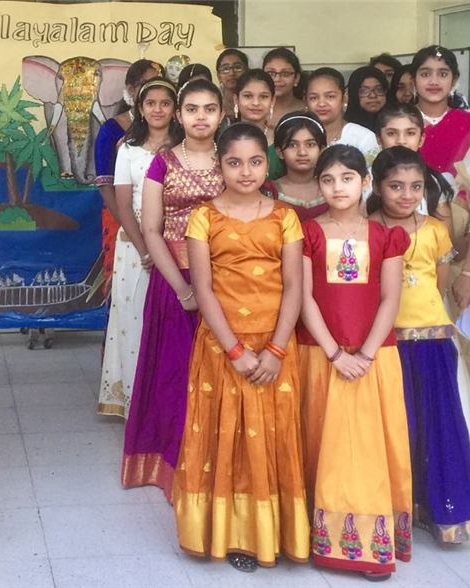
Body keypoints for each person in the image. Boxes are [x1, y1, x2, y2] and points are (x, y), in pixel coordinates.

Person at [174, 122, 308, 572]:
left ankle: (276, 533)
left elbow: (294, 287)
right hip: (222, 347)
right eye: (234, 162)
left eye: (254, 162)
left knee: (272, 436)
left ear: (267, 163)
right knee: (226, 436)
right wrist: (234, 350)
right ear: (220, 166)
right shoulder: (204, 217)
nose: (245, 172)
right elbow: (203, 289)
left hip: (274, 345)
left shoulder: (285, 216)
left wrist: (277, 350)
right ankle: (232, 534)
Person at [299, 145, 412, 581]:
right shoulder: (307, 233)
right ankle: (314, 536)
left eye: (347, 178)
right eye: (327, 180)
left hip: (374, 358)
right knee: (319, 442)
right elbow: (304, 297)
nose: (337, 187)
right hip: (318, 354)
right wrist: (334, 353)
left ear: (365, 182)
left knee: (367, 449)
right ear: (319, 185)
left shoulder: (387, 237)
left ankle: (370, 546)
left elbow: (390, 299)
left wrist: (363, 355)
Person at [367, 145, 470, 544]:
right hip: (386, 341)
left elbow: (439, 284)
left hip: (432, 338)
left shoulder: (434, 229)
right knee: (400, 423)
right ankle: (401, 506)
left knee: (439, 422)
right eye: (396, 186)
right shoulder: (368, 229)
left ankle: (442, 510)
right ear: (377, 187)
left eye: (415, 187)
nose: (407, 194)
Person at [121, 79, 224, 499]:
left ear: (222, 114)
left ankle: (214, 462)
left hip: (225, 281)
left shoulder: (232, 158)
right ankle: (173, 463)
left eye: (210, 109)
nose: (201, 117)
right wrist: (183, 290)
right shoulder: (162, 163)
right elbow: (151, 229)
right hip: (174, 282)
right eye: (192, 109)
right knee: (174, 374)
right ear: (180, 115)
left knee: (218, 374)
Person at [374, 104, 470, 471]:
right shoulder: (368, 216)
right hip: (383, 329)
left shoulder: (436, 195)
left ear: (421, 137)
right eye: (392, 132)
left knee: (437, 406)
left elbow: (440, 274)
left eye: (409, 132)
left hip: (429, 321)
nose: (400, 140)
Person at [97, 77, 181, 418]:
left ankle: (168, 402)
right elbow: (122, 204)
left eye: (165, 103)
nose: (158, 109)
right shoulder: (127, 150)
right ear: (140, 109)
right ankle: (136, 404)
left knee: (172, 323)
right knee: (134, 320)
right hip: (135, 250)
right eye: (151, 103)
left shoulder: (184, 148)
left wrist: (163, 248)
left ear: (175, 109)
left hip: (176, 246)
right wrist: (147, 250)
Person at [411, 48, 470, 389]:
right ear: (413, 79)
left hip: (463, 231)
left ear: (454, 79)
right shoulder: (400, 121)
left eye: (442, 73)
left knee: (459, 322)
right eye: (425, 73)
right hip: (408, 228)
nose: (434, 80)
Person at [94, 60, 163, 291]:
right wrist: (129, 225)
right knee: (124, 284)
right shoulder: (112, 129)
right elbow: (105, 184)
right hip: (120, 217)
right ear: (131, 89)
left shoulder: (174, 134)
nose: (152, 89)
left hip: (162, 222)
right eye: (146, 83)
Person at [305, 68, 380, 162]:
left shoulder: (363, 137)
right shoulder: (298, 136)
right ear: (306, 101)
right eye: (313, 98)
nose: (321, 104)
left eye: (330, 96)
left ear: (344, 99)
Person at [272, 112, 328, 220]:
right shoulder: (269, 192)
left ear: (321, 150)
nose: (302, 152)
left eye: (310, 144)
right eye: (292, 145)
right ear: (280, 152)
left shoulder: (334, 189)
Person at [232, 69, 279, 176]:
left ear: (272, 100)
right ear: (236, 99)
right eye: (248, 96)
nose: (256, 103)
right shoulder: (225, 138)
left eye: (263, 97)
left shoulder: (280, 139)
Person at [263, 48, 307, 124]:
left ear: (296, 78)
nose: (277, 79)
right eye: (271, 73)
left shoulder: (308, 111)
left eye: (285, 74)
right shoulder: (254, 109)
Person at [345, 67, 390, 132]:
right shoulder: (344, 129)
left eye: (379, 89)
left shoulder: (398, 122)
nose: (373, 95)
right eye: (364, 91)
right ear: (354, 94)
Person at [216, 49, 249, 122]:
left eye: (237, 67)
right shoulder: (213, 99)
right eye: (225, 69)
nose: (231, 73)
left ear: (246, 71)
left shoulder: (255, 99)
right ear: (219, 76)